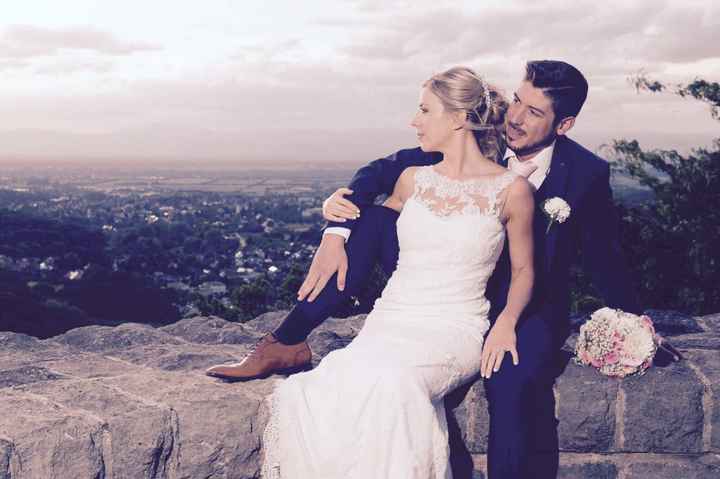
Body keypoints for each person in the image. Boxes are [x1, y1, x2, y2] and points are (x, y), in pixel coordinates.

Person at [207, 60, 640, 478]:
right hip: (429, 286)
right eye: (516, 102)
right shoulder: (469, 137)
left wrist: (632, 319)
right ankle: (285, 341)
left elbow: (605, 256)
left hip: (519, 305)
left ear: (563, 125)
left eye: (534, 112)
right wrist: (335, 229)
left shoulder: (585, 173)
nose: (516, 118)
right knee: (373, 221)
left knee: (513, 384)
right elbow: (380, 173)